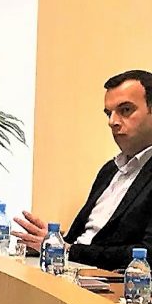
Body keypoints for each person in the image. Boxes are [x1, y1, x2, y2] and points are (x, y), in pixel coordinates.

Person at [14, 69, 152, 270]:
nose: (112, 122)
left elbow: (147, 255)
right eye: (109, 113)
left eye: (125, 110)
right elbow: (86, 239)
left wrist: (68, 250)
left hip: (117, 283)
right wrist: (52, 241)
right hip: (74, 271)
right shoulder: (110, 170)